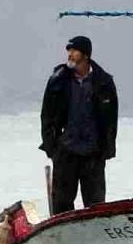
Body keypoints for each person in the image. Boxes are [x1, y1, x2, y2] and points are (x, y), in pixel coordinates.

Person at [40, 35, 118, 215]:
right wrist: (53, 149)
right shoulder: (58, 80)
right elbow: (47, 116)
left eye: (74, 51)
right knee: (61, 206)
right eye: (69, 50)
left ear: (86, 55)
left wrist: (106, 150)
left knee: (96, 208)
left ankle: (94, 240)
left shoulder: (104, 82)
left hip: (93, 154)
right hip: (66, 152)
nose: (70, 54)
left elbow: (111, 120)